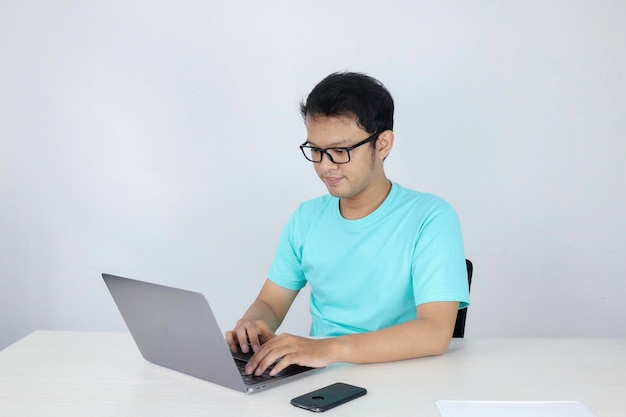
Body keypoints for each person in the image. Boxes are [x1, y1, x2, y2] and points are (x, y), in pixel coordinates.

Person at [225, 71, 469, 377]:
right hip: (320, 378)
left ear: (382, 144)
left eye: (340, 152)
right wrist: (253, 324)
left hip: (405, 377)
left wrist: (329, 349)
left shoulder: (431, 217)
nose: (325, 166)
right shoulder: (306, 218)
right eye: (315, 150)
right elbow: (270, 304)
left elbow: (434, 332)